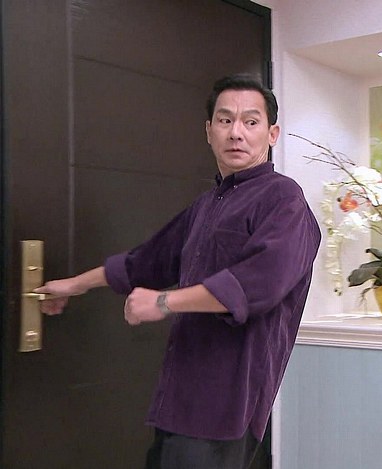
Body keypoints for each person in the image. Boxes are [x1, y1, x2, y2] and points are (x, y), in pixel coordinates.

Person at [34, 74, 321, 469]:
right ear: (209, 131)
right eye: (225, 120)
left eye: (251, 122)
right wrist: (74, 285)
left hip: (226, 405)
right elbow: (145, 261)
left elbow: (257, 285)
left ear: (272, 134)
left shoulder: (284, 199)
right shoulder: (208, 204)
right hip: (180, 394)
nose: (236, 132)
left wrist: (164, 302)